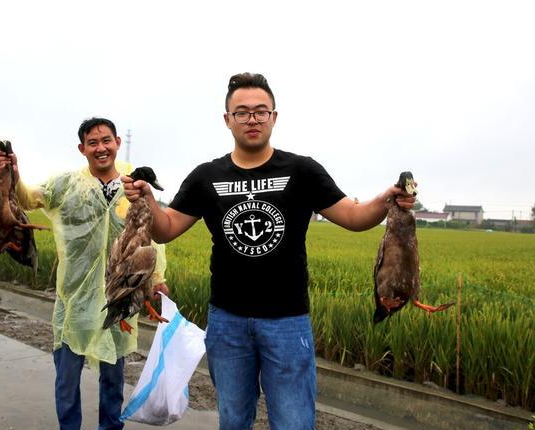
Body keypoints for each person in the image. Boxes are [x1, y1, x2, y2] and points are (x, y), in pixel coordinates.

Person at [122, 73, 416, 430]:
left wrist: (386, 200)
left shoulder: (302, 170)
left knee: (293, 422)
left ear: (274, 117)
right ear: (227, 119)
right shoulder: (206, 176)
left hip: (287, 322)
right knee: (233, 420)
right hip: (227, 321)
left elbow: (353, 217)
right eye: (242, 112)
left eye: (261, 112)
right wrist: (149, 200)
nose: (252, 120)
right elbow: (166, 229)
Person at [0, 117, 169, 430]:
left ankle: (110, 427)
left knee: (113, 379)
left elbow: (151, 235)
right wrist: (12, 173)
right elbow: (27, 198)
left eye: (106, 140)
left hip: (119, 296)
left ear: (117, 142)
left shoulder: (134, 186)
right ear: (82, 148)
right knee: (67, 378)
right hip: (73, 299)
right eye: (93, 142)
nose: (100, 148)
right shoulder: (66, 184)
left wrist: (157, 280)